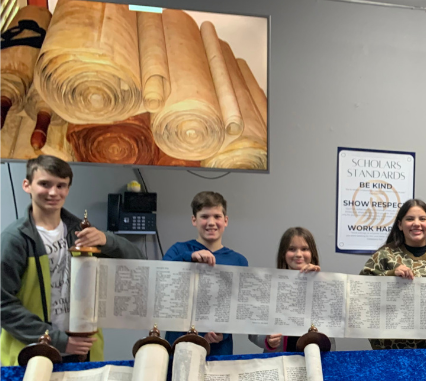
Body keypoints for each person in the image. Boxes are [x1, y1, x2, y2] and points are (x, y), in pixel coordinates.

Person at [1, 155, 143, 365]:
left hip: (83, 352)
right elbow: (3, 305)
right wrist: (59, 341)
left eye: (61, 185)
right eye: (44, 184)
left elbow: (138, 262)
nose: (53, 192)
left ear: (68, 189)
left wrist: (107, 240)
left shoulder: (81, 232)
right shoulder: (15, 239)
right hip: (33, 354)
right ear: (27, 185)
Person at [360, 199, 426, 349]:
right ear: (400, 225)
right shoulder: (384, 255)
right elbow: (360, 291)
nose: (416, 223)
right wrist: (390, 275)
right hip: (391, 349)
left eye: (422, 219)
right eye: (410, 219)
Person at [164, 191, 248, 356]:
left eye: (217, 216)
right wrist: (189, 257)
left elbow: (241, 308)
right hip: (180, 346)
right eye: (204, 216)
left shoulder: (239, 261)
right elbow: (161, 281)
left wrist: (224, 333)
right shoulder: (178, 251)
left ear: (226, 220)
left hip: (219, 350)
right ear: (194, 220)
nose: (211, 222)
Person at [249, 227, 336, 353]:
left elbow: (333, 326)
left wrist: (320, 283)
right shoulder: (269, 286)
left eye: (304, 249)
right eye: (292, 249)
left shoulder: (323, 284)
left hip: (315, 357)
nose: (298, 254)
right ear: (283, 254)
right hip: (279, 358)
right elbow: (253, 330)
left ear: (312, 253)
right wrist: (267, 340)